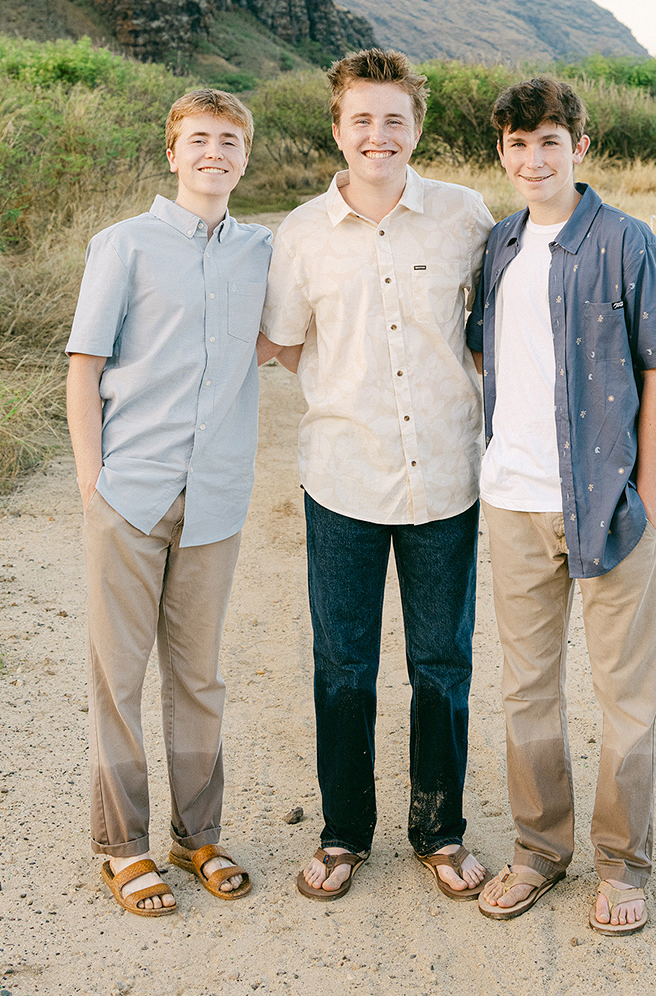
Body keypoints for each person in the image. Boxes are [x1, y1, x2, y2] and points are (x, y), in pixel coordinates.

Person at [257, 48, 495, 902]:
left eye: (394, 119)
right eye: (362, 119)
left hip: (446, 480)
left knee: (442, 663)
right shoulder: (301, 233)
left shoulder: (465, 216)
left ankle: (439, 828)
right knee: (343, 665)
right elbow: (281, 344)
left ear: (416, 128)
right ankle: (343, 833)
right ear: (337, 128)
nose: (378, 134)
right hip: (342, 478)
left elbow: (494, 333)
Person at [469, 77, 656, 932]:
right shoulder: (498, 246)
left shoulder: (628, 242)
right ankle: (539, 851)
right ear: (503, 154)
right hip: (514, 505)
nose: (534, 159)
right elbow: (490, 358)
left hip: (608, 505)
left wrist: (650, 495)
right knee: (527, 689)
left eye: (550, 142)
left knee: (624, 693)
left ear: (580, 149)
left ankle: (623, 865)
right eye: (518, 146)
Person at [66, 89, 271, 918]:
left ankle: (199, 837)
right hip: (131, 489)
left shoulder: (262, 249)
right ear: (173, 151)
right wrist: (92, 485)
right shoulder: (124, 246)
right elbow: (84, 365)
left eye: (229, 140)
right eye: (198, 139)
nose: (213, 153)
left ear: (245, 156)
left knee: (199, 677)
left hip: (216, 494)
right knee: (119, 675)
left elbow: (282, 337)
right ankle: (122, 848)